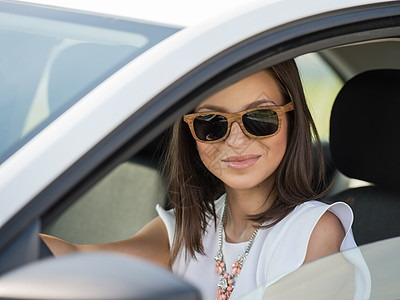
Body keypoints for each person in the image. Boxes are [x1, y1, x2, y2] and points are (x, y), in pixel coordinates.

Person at [41, 59, 358, 300]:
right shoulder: (185, 229)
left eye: (260, 118)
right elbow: (74, 260)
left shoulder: (315, 231)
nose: (235, 140)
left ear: (292, 117)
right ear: (191, 132)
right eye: (212, 123)